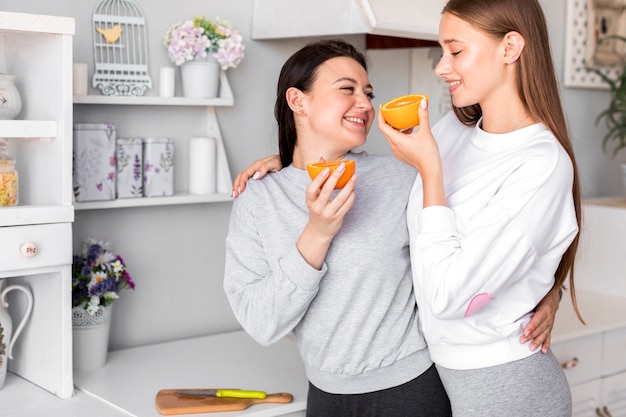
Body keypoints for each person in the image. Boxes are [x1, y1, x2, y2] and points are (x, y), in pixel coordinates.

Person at [223, 39, 452, 417]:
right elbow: (261, 324)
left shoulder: (401, 179)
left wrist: (548, 293)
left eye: (368, 93)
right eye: (347, 89)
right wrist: (317, 232)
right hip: (325, 397)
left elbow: (472, 248)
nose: (365, 104)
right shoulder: (259, 198)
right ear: (298, 101)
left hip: (413, 391)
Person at [376, 0, 583, 416]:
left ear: (510, 48)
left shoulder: (540, 164)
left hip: (508, 389)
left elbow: (449, 296)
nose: (441, 66)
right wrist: (287, 168)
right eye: (441, 51)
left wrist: (431, 172)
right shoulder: (451, 131)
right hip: (443, 376)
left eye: (456, 50)